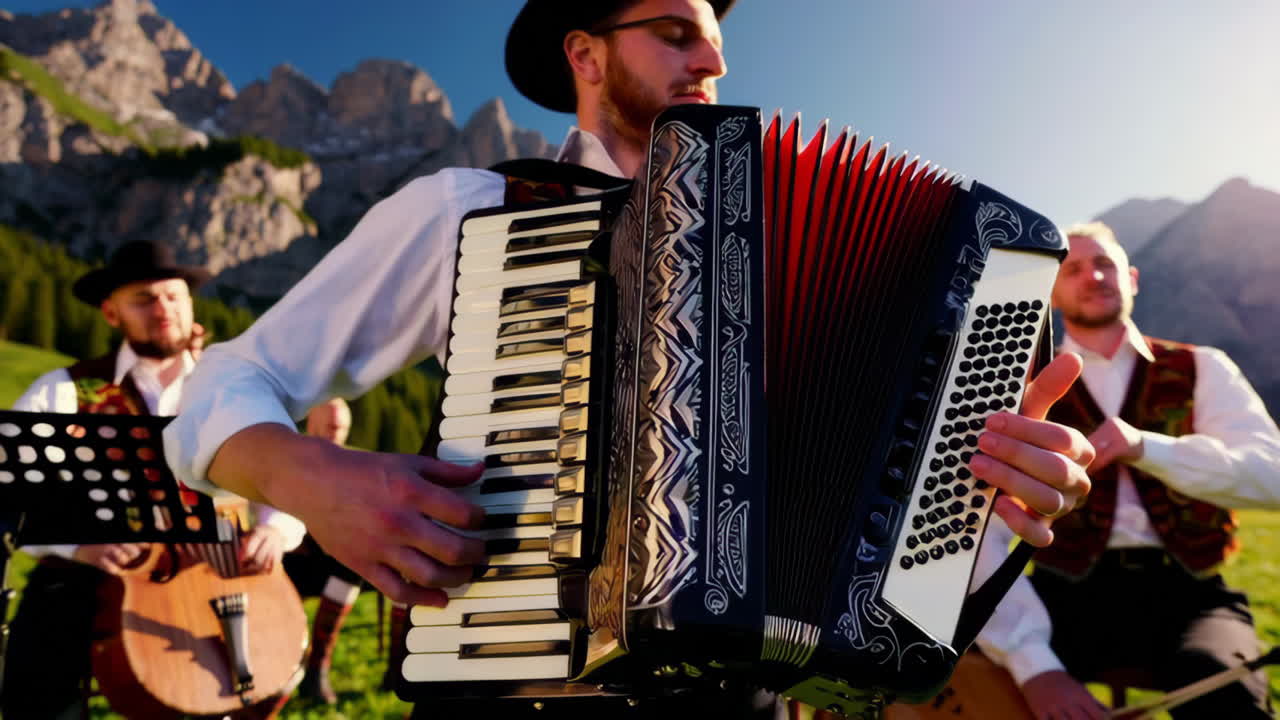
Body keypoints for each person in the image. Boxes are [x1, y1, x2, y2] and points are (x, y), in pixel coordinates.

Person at [163, 0, 1095, 715]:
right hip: (518, 688)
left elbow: (895, 536)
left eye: (717, 42)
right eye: (675, 31)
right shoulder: (475, 210)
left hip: (746, 699)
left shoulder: (810, 253)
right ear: (586, 53)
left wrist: (998, 497)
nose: (713, 58)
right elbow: (228, 378)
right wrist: (317, 481)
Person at [975, 222, 1280, 720]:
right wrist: (1035, 666)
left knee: (1230, 700)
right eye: (1073, 268)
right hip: (1061, 594)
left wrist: (1147, 448)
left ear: (1132, 278)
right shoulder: (1019, 386)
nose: (1093, 275)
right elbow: (980, 527)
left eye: (1105, 264)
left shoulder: (1204, 366)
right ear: (1053, 291)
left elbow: (1273, 478)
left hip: (1189, 594)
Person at [0, 240, 307, 720]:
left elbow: (287, 468)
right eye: (143, 299)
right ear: (111, 313)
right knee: (36, 671)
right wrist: (76, 547)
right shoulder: (65, 388)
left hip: (224, 565)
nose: (162, 309)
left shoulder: (234, 384)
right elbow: (14, 486)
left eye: (173, 296)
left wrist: (275, 529)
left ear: (190, 303)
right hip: (101, 571)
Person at [283, 398, 370, 704]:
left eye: (342, 429)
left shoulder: (355, 466)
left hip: (331, 563)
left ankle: (317, 666)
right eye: (331, 428)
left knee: (352, 564)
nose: (338, 435)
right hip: (286, 560)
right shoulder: (285, 459)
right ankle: (290, 670)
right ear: (311, 424)